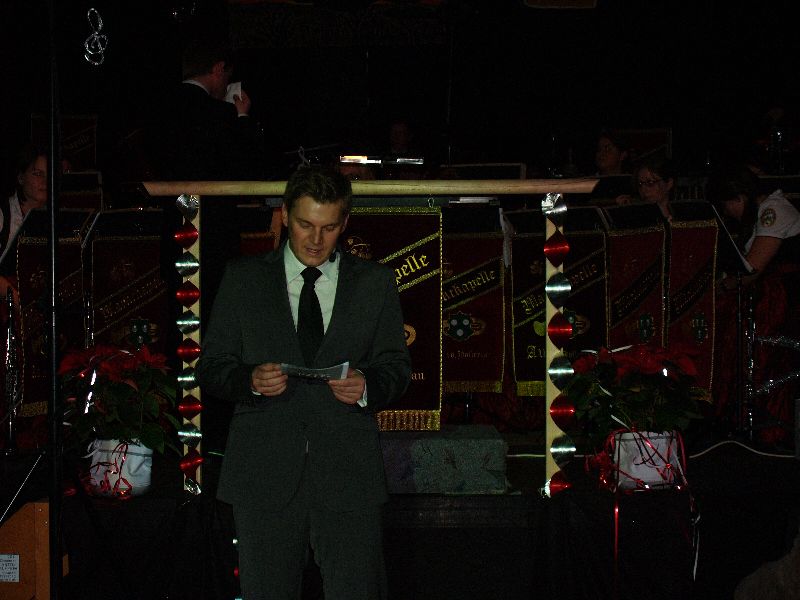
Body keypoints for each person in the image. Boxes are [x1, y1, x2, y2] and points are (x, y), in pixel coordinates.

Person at [196, 166, 411, 600]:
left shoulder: (375, 283)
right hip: (263, 472)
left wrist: (367, 386)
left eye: (328, 227)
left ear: (345, 223)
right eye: (305, 224)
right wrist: (249, 380)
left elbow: (396, 367)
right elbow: (211, 367)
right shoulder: (243, 278)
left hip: (349, 473)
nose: (316, 240)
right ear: (284, 216)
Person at [706, 165, 800, 446]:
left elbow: (752, 270)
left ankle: (757, 417)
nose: (728, 212)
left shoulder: (774, 210)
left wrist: (721, 287)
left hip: (786, 301)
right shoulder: (762, 213)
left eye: (728, 204)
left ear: (740, 197)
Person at [0, 144, 48, 304]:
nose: (45, 181)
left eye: (49, 174)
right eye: (38, 174)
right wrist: (16, 300)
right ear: (21, 178)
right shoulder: (3, 214)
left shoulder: (55, 218)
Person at [616, 154, 677, 221]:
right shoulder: (639, 218)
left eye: (650, 183)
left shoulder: (682, 216)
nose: (643, 189)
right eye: (640, 184)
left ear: (669, 184)